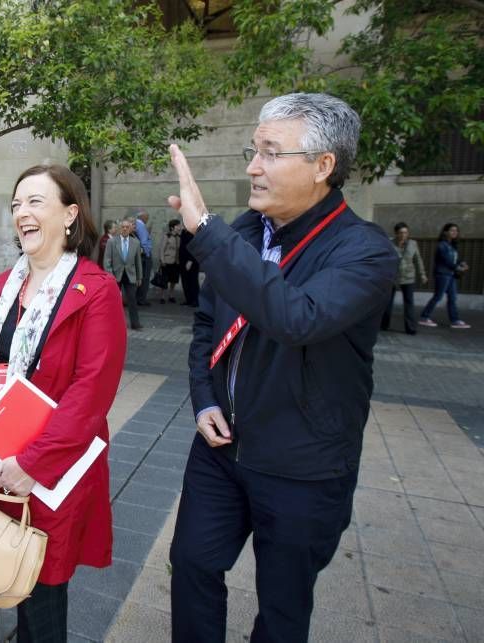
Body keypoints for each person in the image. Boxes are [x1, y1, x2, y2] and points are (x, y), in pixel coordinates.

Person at [167, 93, 398, 643]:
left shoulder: (364, 252)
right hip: (221, 451)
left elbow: (298, 317)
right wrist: (204, 399)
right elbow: (205, 330)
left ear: (323, 166)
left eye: (270, 153)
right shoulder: (243, 234)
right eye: (254, 150)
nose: (253, 166)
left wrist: (208, 232)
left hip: (305, 465)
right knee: (193, 566)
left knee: (283, 606)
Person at [0, 164, 126, 643]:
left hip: (44, 476)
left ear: (70, 214)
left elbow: (90, 392)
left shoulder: (96, 293)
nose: (21, 213)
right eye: (15, 205)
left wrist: (32, 462)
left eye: (35, 201)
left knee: (40, 599)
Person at [419, 222, 471, 328]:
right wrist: (458, 268)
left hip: (451, 275)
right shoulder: (442, 245)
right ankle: (424, 317)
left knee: (452, 297)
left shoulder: (452, 245)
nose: (455, 232)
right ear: (445, 232)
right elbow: (447, 261)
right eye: (452, 230)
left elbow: (455, 260)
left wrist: (462, 263)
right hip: (442, 274)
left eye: (456, 230)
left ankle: (455, 320)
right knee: (438, 296)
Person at [380, 222, 427, 334]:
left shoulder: (413, 244)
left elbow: (418, 260)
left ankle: (411, 328)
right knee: (387, 302)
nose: (403, 235)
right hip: (393, 277)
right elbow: (385, 260)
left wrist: (422, 274)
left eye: (405, 232)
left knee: (409, 303)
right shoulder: (390, 244)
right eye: (401, 233)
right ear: (396, 233)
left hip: (408, 277)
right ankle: (383, 325)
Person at [104, 218, 144, 330]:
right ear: (119, 229)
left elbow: (138, 262)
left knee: (132, 300)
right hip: (115, 275)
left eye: (127, 227)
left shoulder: (136, 243)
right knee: (114, 300)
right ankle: (112, 323)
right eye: (123, 227)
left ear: (131, 229)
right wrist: (109, 275)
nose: (125, 229)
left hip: (130, 276)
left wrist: (139, 277)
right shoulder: (112, 242)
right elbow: (107, 260)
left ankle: (135, 324)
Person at [158, 219, 182, 303]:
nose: (179, 227)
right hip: (167, 261)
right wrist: (162, 260)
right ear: (172, 227)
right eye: (178, 226)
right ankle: (162, 296)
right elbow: (162, 249)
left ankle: (171, 295)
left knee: (174, 279)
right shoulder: (167, 236)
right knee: (164, 280)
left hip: (176, 262)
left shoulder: (179, 237)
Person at [134, 210, 153, 305]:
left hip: (141, 255)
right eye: (147, 217)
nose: (148, 219)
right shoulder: (140, 225)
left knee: (141, 277)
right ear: (143, 217)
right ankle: (141, 299)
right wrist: (147, 254)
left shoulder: (137, 224)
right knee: (144, 277)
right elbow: (144, 241)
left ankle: (139, 298)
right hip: (145, 256)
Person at [178, 227, 200, 307]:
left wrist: (190, 260)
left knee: (193, 281)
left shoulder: (194, 232)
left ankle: (195, 300)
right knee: (185, 281)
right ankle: (188, 300)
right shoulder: (183, 232)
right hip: (183, 259)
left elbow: (196, 247)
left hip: (192, 261)